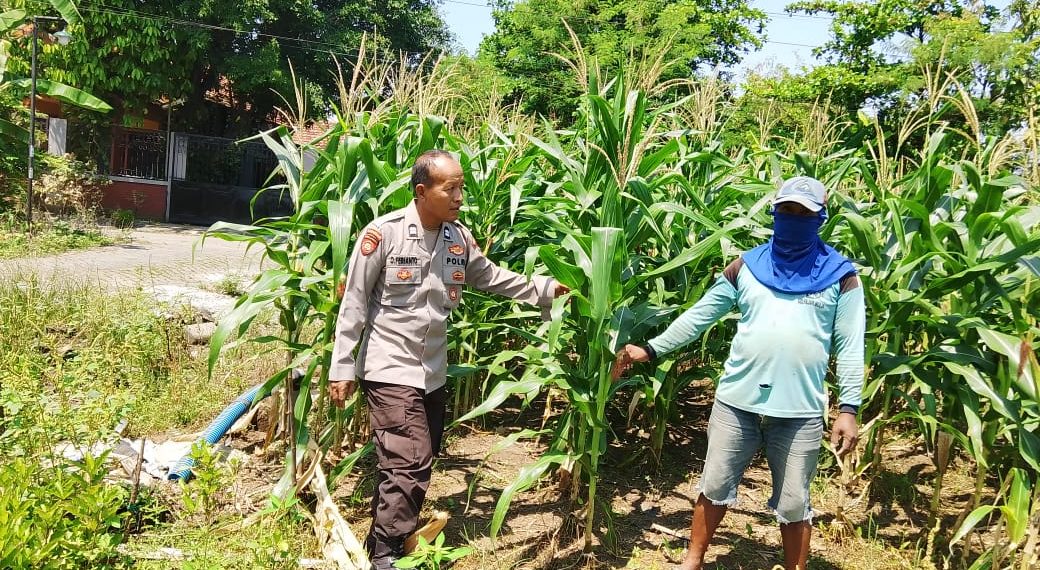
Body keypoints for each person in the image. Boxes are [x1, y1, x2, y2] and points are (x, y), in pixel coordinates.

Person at [328, 149, 567, 570]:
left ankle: (385, 534)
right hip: (388, 365)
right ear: (422, 191)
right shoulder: (383, 234)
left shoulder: (458, 238)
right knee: (410, 459)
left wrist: (545, 289)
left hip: (431, 371)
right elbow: (354, 303)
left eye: (461, 188)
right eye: (450, 188)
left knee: (417, 457)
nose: (459, 197)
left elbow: (491, 277)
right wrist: (342, 367)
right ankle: (385, 554)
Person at [612, 176, 865, 570]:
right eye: (787, 210)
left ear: (820, 219)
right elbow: (699, 315)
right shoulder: (746, 266)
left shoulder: (841, 276)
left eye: (804, 213)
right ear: (775, 213)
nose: (793, 218)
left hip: (799, 411)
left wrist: (848, 407)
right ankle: (693, 561)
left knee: (795, 500)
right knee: (713, 486)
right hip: (737, 402)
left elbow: (851, 344)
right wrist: (651, 348)